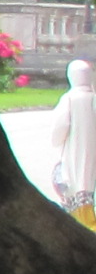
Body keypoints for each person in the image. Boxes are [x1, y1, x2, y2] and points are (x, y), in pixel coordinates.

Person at [51, 58, 96, 229]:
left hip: (73, 151)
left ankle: (81, 222)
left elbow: (60, 127)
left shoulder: (69, 99)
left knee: (74, 183)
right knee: (88, 182)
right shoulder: (94, 98)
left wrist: (56, 141)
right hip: (92, 150)